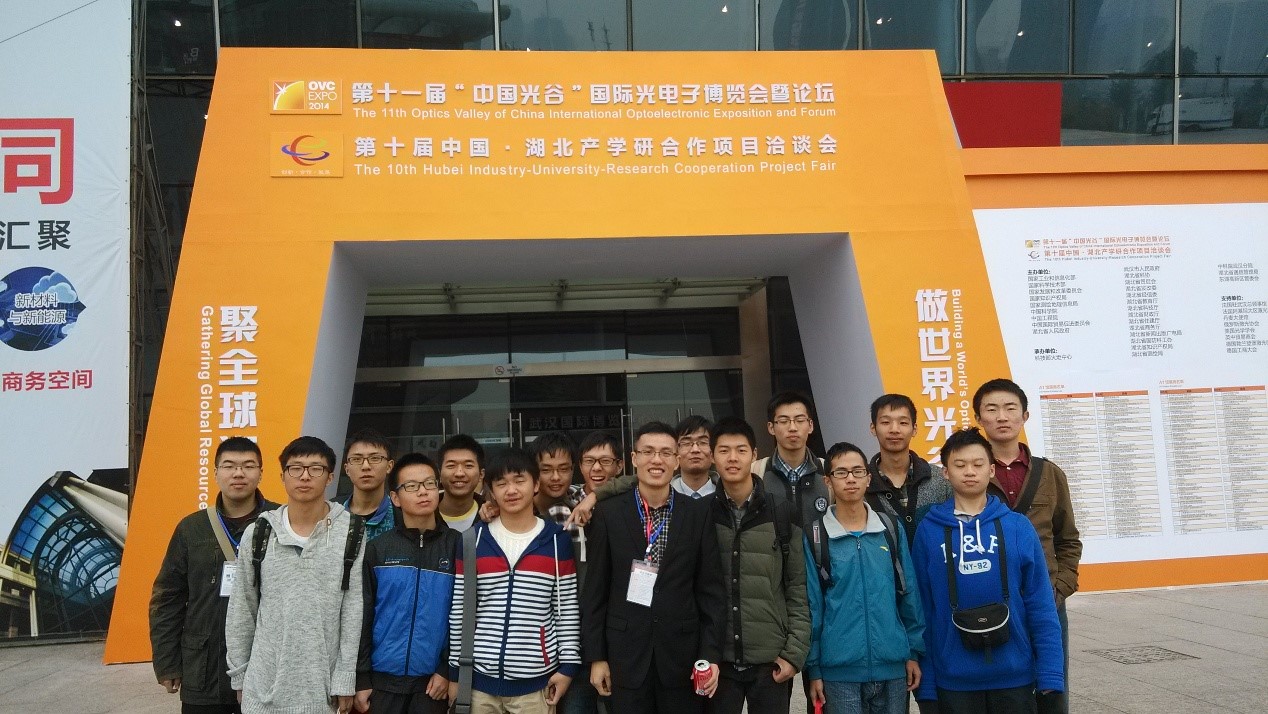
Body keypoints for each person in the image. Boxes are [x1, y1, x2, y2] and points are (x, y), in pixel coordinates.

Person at [913, 428, 1063, 713]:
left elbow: (1040, 604)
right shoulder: (929, 531)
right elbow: (923, 609)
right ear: (945, 473)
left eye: (978, 464)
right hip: (953, 680)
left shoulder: (1017, 527)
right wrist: (928, 682)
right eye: (960, 465)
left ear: (991, 470)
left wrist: (1050, 671)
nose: (969, 471)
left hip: (1014, 676)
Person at [581, 421, 726, 714]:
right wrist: (597, 657)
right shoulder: (609, 513)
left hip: (682, 658)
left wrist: (710, 656)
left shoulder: (697, 513)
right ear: (634, 459)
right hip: (625, 656)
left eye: (665, 453)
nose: (656, 460)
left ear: (676, 460)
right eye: (648, 452)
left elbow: (710, 591)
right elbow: (596, 590)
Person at [225, 436, 366, 714]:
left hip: (322, 692)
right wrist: (239, 675)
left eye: (316, 469)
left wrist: (345, 678)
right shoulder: (259, 533)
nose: (304, 476)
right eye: (295, 468)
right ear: (282, 476)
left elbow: (352, 611)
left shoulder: (351, 532)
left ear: (330, 477)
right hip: (263, 689)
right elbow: (242, 608)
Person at [974, 378, 1081, 713]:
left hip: (1046, 601)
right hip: (991, 606)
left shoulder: (1050, 474)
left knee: (1052, 689)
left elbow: (1068, 539)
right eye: (992, 409)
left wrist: (1060, 587)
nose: (1002, 416)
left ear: (1025, 416)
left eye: (1010, 408)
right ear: (979, 418)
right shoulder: (970, 473)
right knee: (1003, 696)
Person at [446, 448, 581, 713]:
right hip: (477, 684)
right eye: (501, 483)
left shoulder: (557, 540)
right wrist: (455, 673)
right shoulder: (472, 540)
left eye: (520, 480)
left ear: (536, 485)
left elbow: (566, 610)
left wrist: (568, 667)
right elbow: (460, 610)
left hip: (537, 685)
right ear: (490, 490)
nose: (511, 490)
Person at [150, 436, 277, 714]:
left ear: (260, 473)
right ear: (216, 472)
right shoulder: (191, 529)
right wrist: (167, 662)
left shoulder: (281, 522)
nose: (239, 473)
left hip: (268, 667)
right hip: (205, 669)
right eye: (229, 466)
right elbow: (168, 599)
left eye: (248, 466)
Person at [805, 442, 924, 714]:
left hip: (893, 665)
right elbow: (812, 606)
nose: (850, 479)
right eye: (841, 472)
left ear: (868, 478)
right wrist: (814, 669)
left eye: (858, 471)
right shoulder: (816, 535)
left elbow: (909, 593)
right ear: (828, 481)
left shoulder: (889, 528)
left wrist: (913, 652)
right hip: (839, 671)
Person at [706, 417, 810, 714]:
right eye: (724, 450)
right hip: (719, 661)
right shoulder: (702, 514)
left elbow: (798, 587)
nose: (732, 458)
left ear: (753, 454)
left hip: (770, 661)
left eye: (741, 450)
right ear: (713, 457)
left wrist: (793, 654)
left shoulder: (782, 512)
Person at [356, 453, 458, 714]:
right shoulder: (378, 549)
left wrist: (447, 669)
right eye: (411, 486)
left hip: (433, 684)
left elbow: (465, 615)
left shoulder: (457, 546)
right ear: (395, 498)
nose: (423, 492)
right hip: (382, 683)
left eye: (429, 484)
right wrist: (362, 677)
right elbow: (363, 615)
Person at [865, 394, 952, 545]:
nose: (894, 429)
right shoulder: (861, 485)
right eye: (885, 422)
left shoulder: (941, 479)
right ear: (873, 428)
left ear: (914, 429)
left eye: (903, 422)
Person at [753, 391, 829, 529]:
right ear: (771, 427)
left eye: (800, 420)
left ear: (810, 425)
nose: (792, 428)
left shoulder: (827, 471)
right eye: (783, 421)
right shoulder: (756, 472)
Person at [342, 428, 396, 541]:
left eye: (375, 458)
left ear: (389, 466)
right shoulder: (330, 513)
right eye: (356, 459)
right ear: (347, 469)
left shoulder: (402, 516)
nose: (365, 466)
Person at [533, 431, 585, 525]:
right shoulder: (521, 507)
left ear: (572, 469)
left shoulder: (583, 497)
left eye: (563, 469)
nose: (556, 477)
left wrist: (594, 497)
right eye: (546, 470)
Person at [438, 434, 485, 531]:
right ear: (439, 474)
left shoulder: (493, 515)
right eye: (451, 466)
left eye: (468, 466)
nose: (459, 473)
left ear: (481, 474)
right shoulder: (424, 515)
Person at [671, 415, 719, 499]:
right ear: (676, 452)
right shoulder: (664, 496)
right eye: (686, 443)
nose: (695, 450)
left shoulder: (727, 496)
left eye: (703, 442)